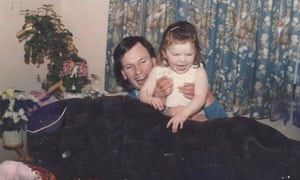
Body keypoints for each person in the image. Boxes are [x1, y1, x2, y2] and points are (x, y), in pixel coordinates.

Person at [113, 34, 227, 132]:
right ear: (123, 74)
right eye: (129, 67)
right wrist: (161, 106)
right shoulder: (128, 105)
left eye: (143, 61)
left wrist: (206, 98)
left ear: (154, 61)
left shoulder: (188, 77)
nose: (138, 71)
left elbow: (225, 127)